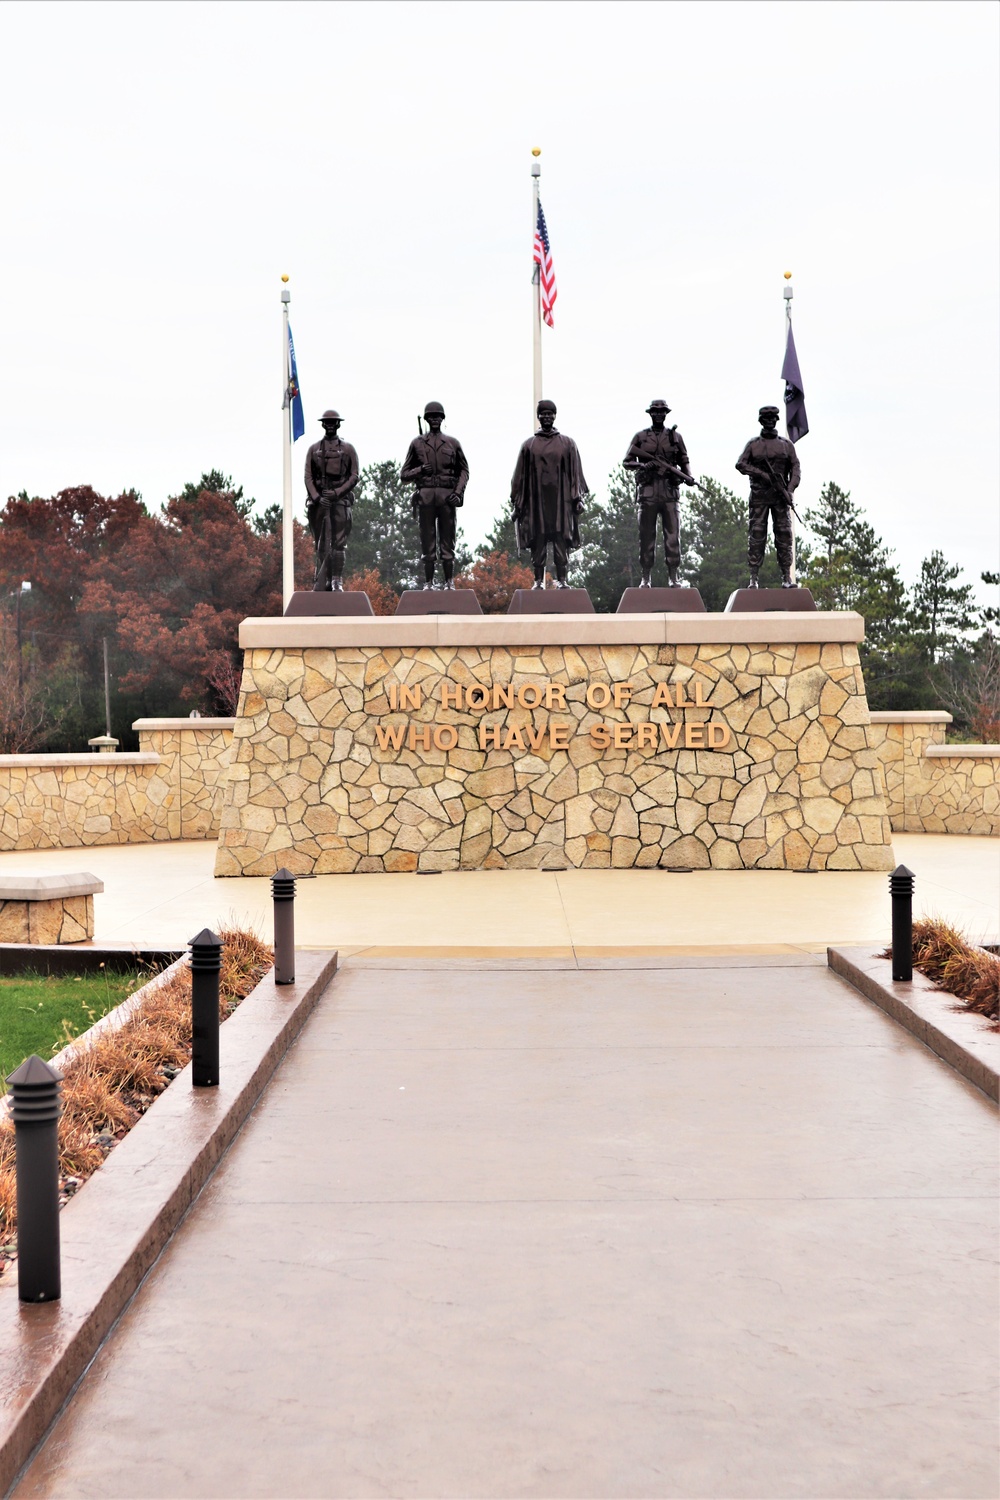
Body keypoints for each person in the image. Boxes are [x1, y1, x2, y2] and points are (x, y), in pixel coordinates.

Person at [510, 399, 588, 589]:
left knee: (561, 540)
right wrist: (517, 503)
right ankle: (538, 581)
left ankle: (562, 580)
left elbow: (575, 473)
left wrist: (577, 497)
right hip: (537, 502)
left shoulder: (567, 443)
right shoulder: (529, 445)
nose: (547, 417)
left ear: (555, 416)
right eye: (543, 414)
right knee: (539, 540)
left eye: (550, 414)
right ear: (538, 417)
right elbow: (518, 477)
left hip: (561, 502)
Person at [622, 399, 695, 587]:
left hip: (670, 492)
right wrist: (644, 465)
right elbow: (627, 461)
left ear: (666, 414)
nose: (658, 415)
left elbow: (684, 460)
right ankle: (646, 577)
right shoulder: (640, 437)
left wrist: (688, 476)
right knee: (646, 537)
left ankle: (673, 576)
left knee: (673, 537)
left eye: (662, 412)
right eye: (655, 412)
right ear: (650, 414)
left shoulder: (675, 437)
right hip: (648, 493)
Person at [400, 401, 469, 589]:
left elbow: (464, 471)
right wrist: (420, 470)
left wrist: (458, 492)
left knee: (448, 541)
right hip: (426, 496)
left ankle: (449, 582)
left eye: (438, 416)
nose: (435, 420)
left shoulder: (453, 443)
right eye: (432, 417)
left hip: (447, 497)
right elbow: (404, 474)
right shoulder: (417, 444)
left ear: (442, 419)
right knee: (427, 540)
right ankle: (429, 582)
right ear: (427, 419)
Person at [735, 405, 801, 588]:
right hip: (759, 496)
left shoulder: (787, 446)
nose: (770, 421)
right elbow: (740, 464)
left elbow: (796, 468)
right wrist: (761, 474)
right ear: (761, 421)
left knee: (784, 534)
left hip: (780, 497)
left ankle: (787, 577)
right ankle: (754, 578)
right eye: (766, 418)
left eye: (773, 418)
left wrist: (790, 489)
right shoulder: (753, 445)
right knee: (756, 535)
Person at [303, 410, 360, 591]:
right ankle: (325, 579)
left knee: (338, 543)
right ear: (322, 424)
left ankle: (336, 580)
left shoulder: (348, 449)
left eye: (333, 422)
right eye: (326, 422)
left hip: (340, 501)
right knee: (320, 542)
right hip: (319, 502)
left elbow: (354, 476)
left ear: (338, 424)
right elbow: (308, 477)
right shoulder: (313, 449)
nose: (330, 425)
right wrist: (318, 498)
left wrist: (337, 493)